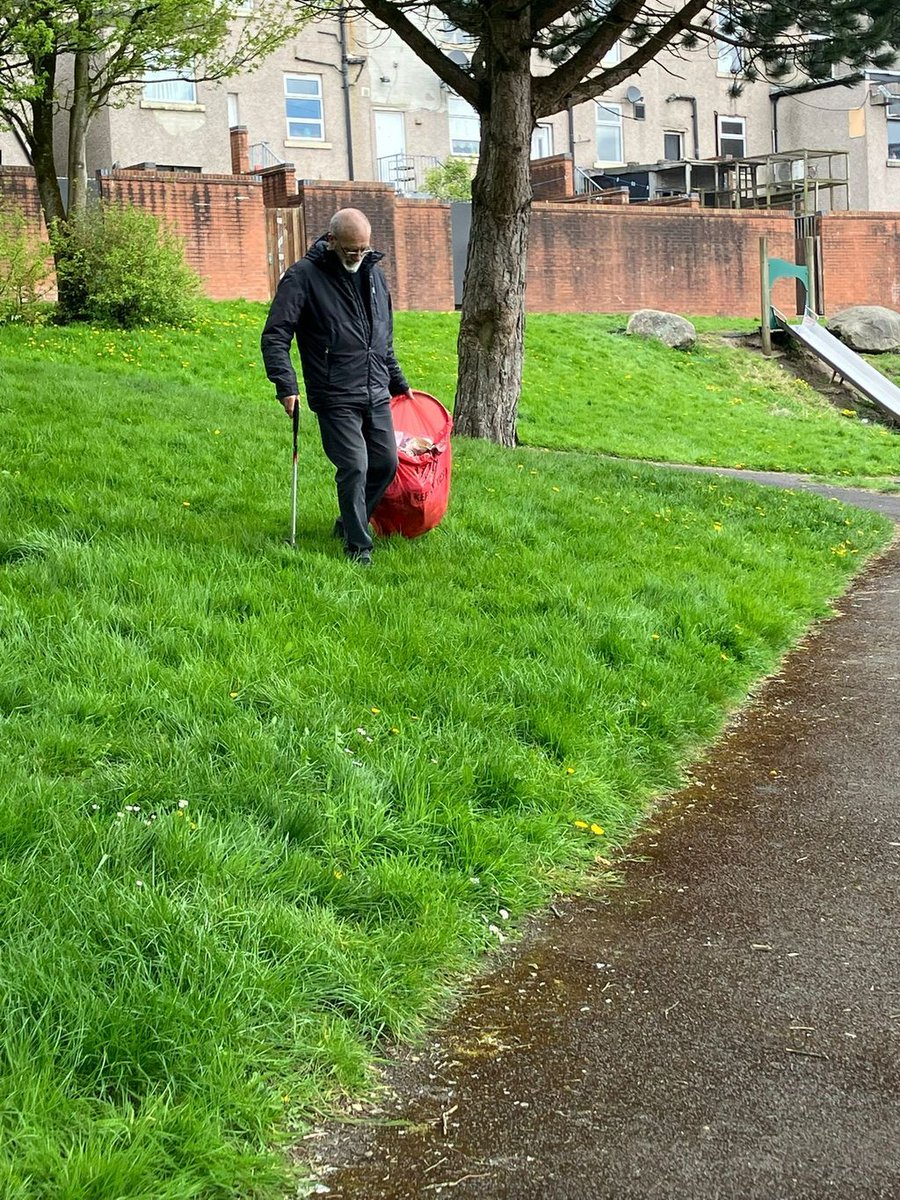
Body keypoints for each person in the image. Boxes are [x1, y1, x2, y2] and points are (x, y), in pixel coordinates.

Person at [261, 207, 413, 567]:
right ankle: (359, 547)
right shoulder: (302, 277)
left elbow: (382, 339)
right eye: (350, 250)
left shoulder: (375, 276)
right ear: (331, 242)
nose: (357, 257)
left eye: (363, 250)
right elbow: (275, 335)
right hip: (334, 393)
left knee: (385, 464)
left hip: (375, 389)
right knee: (355, 466)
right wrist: (286, 385)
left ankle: (348, 522)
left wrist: (397, 380)